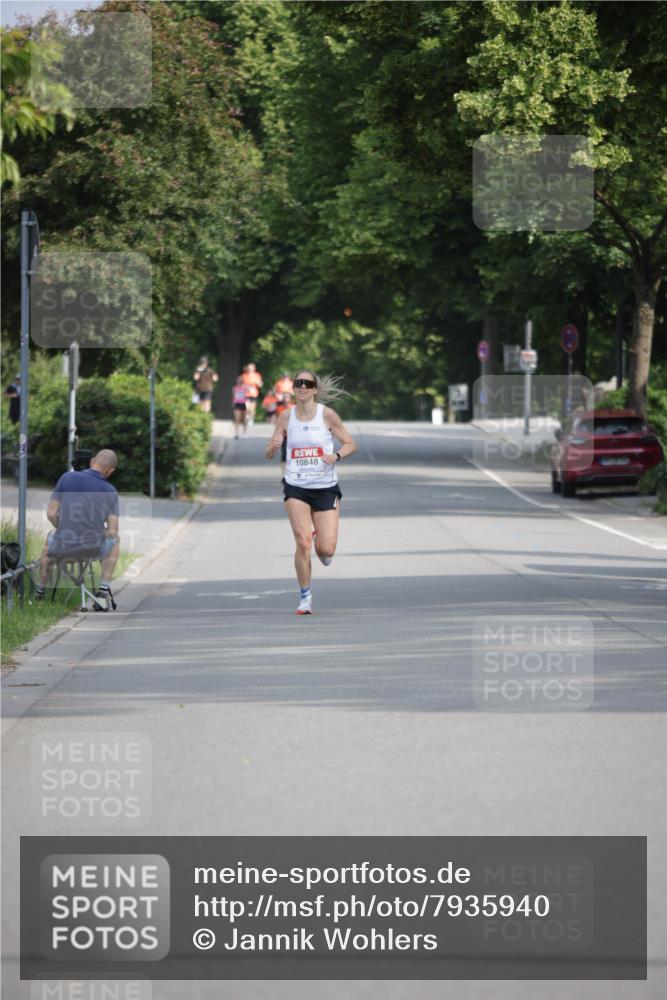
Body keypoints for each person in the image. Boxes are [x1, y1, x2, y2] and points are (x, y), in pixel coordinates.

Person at [265, 370, 357, 615]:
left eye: (308, 384)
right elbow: (269, 451)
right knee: (302, 542)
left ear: (315, 389)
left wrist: (335, 456)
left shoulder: (327, 415)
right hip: (296, 485)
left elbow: (350, 444)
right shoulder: (285, 418)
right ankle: (305, 596)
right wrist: (273, 447)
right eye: (299, 383)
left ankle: (320, 539)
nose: (303, 387)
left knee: (326, 550)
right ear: (294, 388)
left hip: (325, 486)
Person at [34, 449, 120, 610]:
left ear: (92, 461)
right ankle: (102, 591)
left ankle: (40, 591)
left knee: (49, 538)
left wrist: (65, 529)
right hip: (92, 549)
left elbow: (51, 514)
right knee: (115, 541)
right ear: (111, 471)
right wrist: (98, 533)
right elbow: (113, 531)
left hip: (63, 546)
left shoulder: (67, 478)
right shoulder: (111, 491)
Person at [240, 362, 263, 427]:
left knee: (252, 408)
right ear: (247, 369)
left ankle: (251, 418)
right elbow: (240, 385)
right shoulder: (244, 376)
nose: (250, 369)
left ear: (254, 369)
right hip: (246, 394)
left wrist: (258, 383)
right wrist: (246, 387)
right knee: (247, 407)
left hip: (254, 394)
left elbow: (260, 384)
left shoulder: (257, 375)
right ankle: (247, 416)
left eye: (251, 368)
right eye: (249, 368)